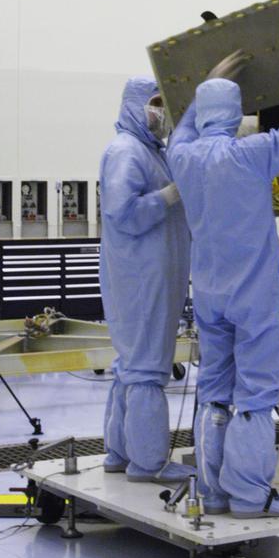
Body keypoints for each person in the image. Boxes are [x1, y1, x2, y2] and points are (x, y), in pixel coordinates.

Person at [168, 27, 279, 518]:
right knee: (257, 396)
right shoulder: (251, 153)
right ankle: (250, 495)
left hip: (211, 294)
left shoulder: (183, 156)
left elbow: (181, 130)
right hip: (255, 295)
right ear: (236, 113)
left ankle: (214, 491)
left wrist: (204, 88)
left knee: (215, 391)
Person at [100, 77, 197, 482]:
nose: (161, 112)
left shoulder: (150, 150)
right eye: (155, 103)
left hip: (148, 273)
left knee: (132, 366)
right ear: (135, 105)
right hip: (142, 277)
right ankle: (148, 461)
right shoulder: (126, 151)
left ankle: (120, 453)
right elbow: (123, 213)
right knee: (146, 369)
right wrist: (171, 196)